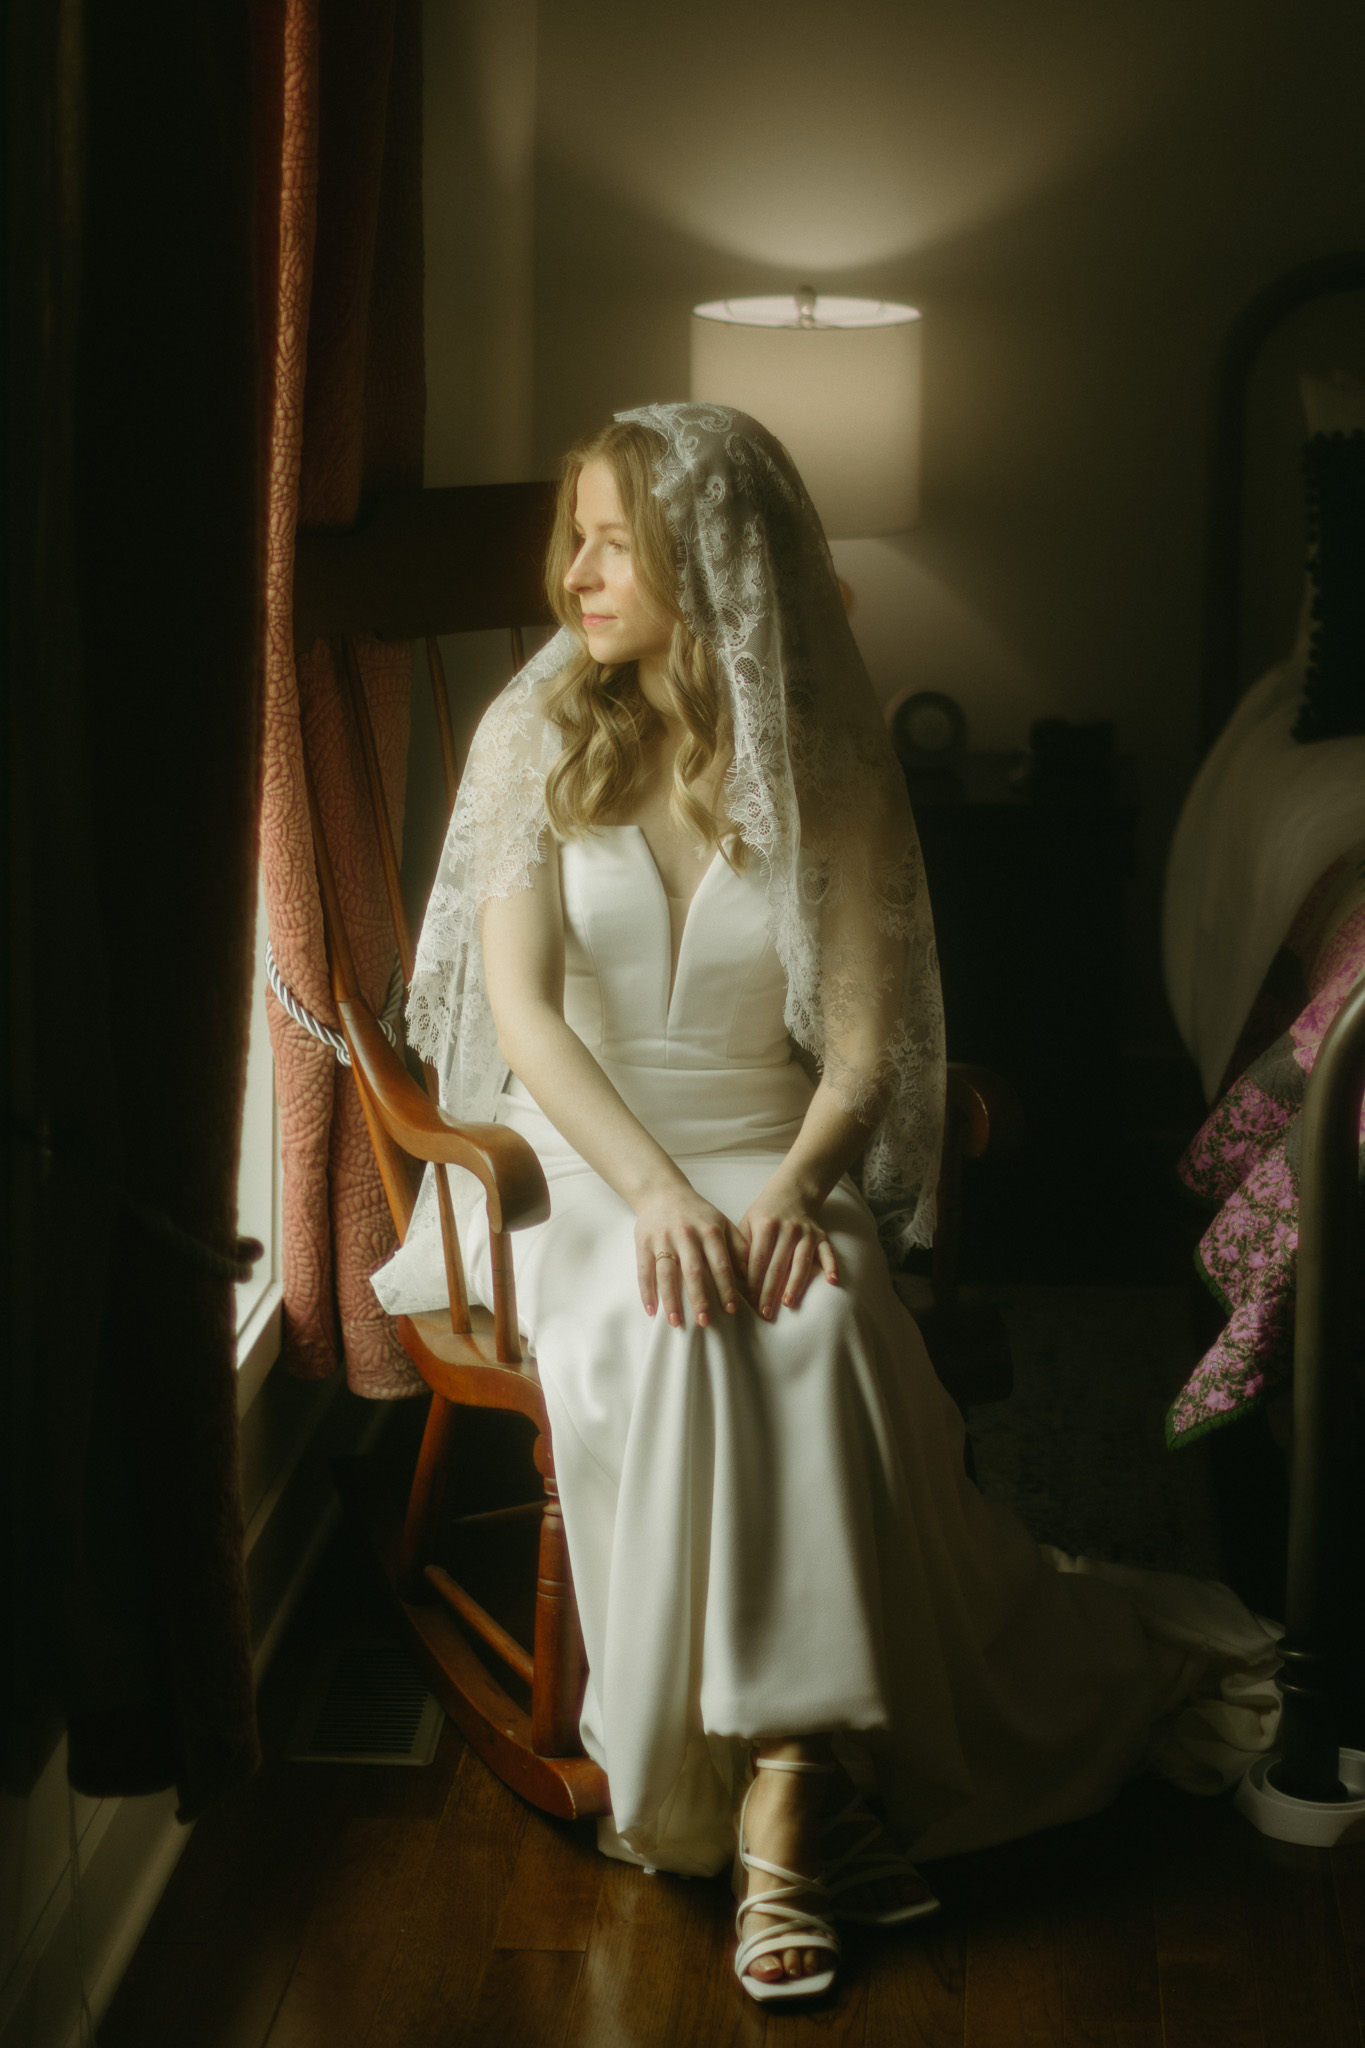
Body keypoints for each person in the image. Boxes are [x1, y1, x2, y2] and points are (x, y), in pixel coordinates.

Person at [373, 403, 1281, 2006]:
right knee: (671, 1331)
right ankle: (803, 1789)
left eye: (610, 540)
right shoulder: (531, 737)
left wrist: (794, 1188)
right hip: (585, 1162)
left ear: (709, 561)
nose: (573, 570)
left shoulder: (817, 757)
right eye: (571, 534)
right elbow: (521, 1022)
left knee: (811, 1317)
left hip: (764, 1149)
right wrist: (653, 1197)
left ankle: (778, 1783)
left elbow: (862, 1048)